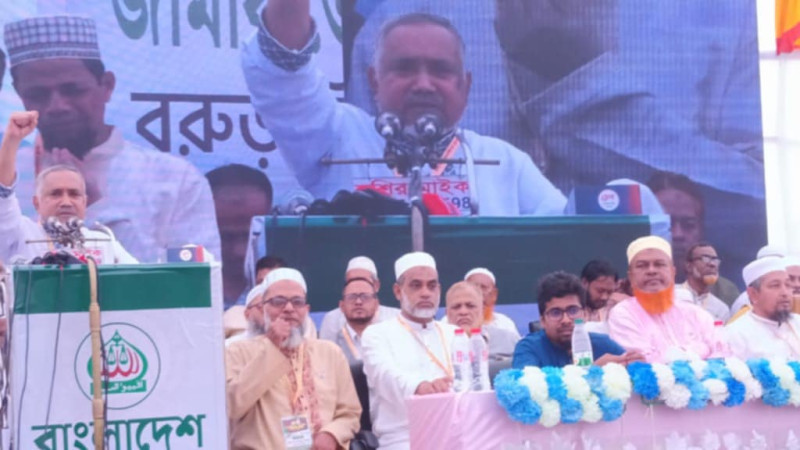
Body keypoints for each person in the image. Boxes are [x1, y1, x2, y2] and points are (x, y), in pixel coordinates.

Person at [241, 1, 567, 216]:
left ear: (465, 86)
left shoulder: (506, 163)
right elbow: (283, 65)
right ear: (374, 80)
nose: (423, 84)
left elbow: (566, 243)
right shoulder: (336, 137)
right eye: (405, 68)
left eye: (440, 70)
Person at [4, 15, 220, 263]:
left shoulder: (175, 178)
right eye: (39, 94)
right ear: (20, 94)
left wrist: (98, 207)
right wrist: (11, 141)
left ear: (106, 86)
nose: (58, 106)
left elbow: (197, 275)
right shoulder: (14, 171)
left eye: (73, 90)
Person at [225, 268, 361, 449]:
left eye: (297, 302)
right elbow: (231, 406)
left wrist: (332, 434)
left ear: (306, 310)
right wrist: (272, 347)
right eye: (278, 302)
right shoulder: (237, 352)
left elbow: (350, 412)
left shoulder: (330, 353)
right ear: (264, 308)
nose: (289, 309)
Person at [0, 111, 136, 264]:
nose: (66, 202)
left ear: (85, 202)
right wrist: (12, 139)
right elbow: (4, 194)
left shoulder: (103, 242)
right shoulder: (21, 235)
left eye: (74, 194)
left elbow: (142, 275)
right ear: (37, 203)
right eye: (55, 194)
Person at [361, 252, 456, 450]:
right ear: (398, 291)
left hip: (455, 432)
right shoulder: (376, 334)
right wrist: (419, 387)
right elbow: (385, 376)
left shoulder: (455, 334)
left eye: (431, 286)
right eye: (416, 285)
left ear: (439, 290)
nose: (425, 293)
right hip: (404, 438)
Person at [607, 236, 726, 362]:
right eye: (642, 266)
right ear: (631, 276)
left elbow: (721, 353)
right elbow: (641, 360)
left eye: (659, 264)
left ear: (673, 272)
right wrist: (699, 350)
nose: (651, 271)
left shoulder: (696, 314)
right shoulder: (623, 313)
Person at [512, 272, 642, 369]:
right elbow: (528, 389)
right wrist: (594, 371)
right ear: (542, 320)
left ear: (584, 314)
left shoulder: (604, 344)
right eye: (556, 313)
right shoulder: (529, 348)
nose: (566, 320)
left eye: (573, 311)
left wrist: (635, 364)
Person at [648, 171, 742, 303]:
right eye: (666, 225)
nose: (678, 234)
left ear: (702, 230)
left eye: (688, 225)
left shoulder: (724, 293)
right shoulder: (628, 288)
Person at [206, 164, 273, 308]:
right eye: (225, 237)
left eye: (251, 237)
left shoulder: (296, 290)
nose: (239, 251)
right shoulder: (177, 295)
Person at [726, 257, 800, 360]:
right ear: (753, 294)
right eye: (775, 286)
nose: (785, 293)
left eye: (788, 285)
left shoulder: (797, 321)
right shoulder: (735, 334)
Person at [318, 256, 400, 341]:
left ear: (376, 285)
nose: (358, 284)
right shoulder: (332, 319)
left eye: (363, 280)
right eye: (352, 281)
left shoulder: (395, 317)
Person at [444, 281, 518, 360]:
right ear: (447, 313)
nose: (463, 312)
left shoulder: (508, 340)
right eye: (456, 307)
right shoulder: (436, 344)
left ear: (482, 310)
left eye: (470, 306)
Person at [677, 242, 731, 322]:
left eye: (715, 260)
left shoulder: (721, 309)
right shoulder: (672, 296)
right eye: (705, 259)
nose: (712, 264)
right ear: (689, 266)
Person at [333, 276, 381, 363]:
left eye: (365, 297)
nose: (358, 302)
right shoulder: (331, 343)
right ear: (342, 306)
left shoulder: (390, 338)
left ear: (376, 304)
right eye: (352, 297)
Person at [464, 267, 520, 338]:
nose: (478, 292)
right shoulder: (453, 323)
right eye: (473, 287)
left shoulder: (505, 324)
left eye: (483, 287)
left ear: (494, 294)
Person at [580, 260, 618, 324]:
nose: (604, 297)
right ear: (584, 283)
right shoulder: (571, 309)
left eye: (609, 292)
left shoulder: (614, 309)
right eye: (600, 291)